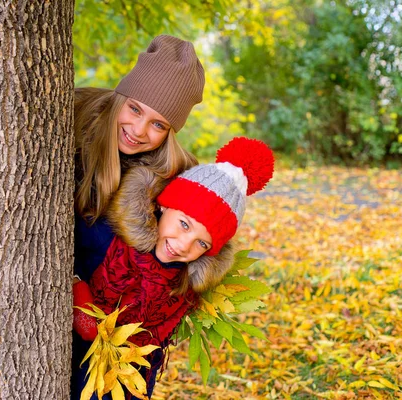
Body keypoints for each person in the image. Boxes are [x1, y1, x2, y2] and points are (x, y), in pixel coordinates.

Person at [73, 137, 275, 399]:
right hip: (73, 360)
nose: (182, 245)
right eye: (184, 224)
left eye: (201, 243)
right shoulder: (107, 238)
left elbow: (154, 349)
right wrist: (76, 284)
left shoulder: (184, 284)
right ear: (164, 205)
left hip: (130, 377)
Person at [71, 34, 205, 399]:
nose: (140, 131)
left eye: (159, 124)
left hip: (122, 318)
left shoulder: (172, 176)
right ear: (121, 98)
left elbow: (194, 246)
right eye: (135, 109)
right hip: (69, 301)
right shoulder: (70, 130)